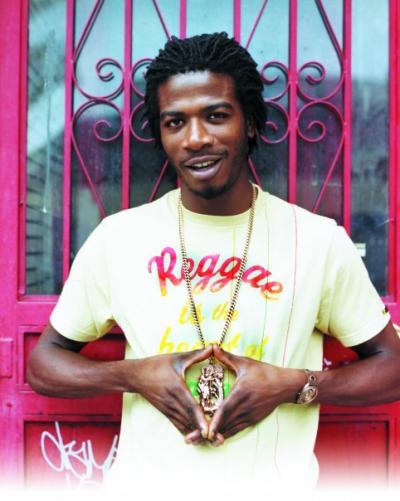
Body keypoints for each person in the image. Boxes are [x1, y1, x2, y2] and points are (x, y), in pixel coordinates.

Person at [27, 32, 400, 496]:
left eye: (216, 115)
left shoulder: (317, 241)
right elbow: (43, 365)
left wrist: (291, 386)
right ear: (161, 135)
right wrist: (134, 375)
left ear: (250, 123)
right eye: (175, 122)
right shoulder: (118, 239)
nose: (196, 138)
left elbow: (392, 367)